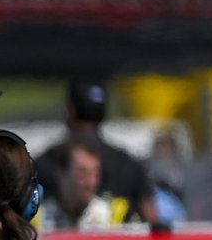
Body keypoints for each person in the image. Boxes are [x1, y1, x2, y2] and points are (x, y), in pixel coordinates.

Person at [37, 82, 153, 221]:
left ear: (70, 111)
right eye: (82, 173)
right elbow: (153, 222)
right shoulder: (129, 165)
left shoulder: (43, 164)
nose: (90, 183)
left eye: (94, 173)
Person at [41, 141, 119, 229]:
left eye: (96, 173)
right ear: (60, 172)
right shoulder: (38, 217)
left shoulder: (114, 215)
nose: (91, 182)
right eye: (82, 173)